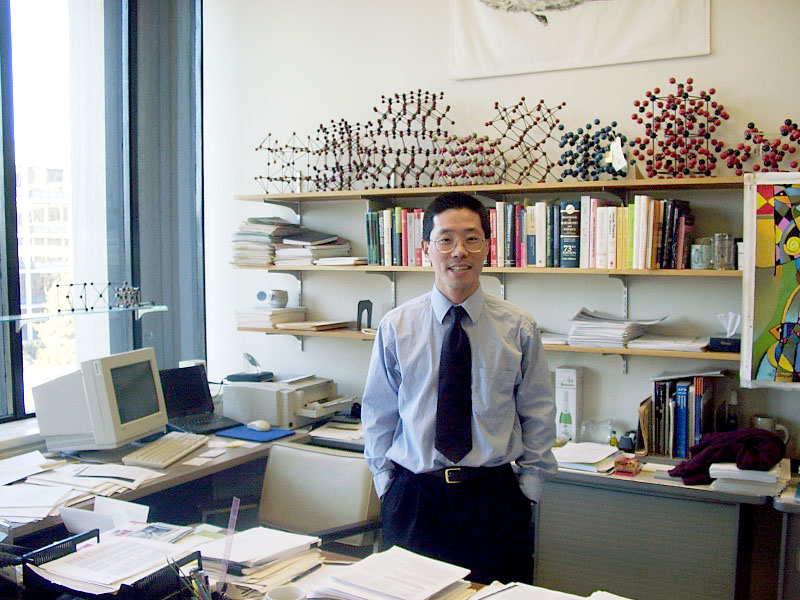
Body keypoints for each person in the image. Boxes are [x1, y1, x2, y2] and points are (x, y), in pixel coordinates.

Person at [361, 191, 558, 584]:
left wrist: (528, 489)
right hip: (416, 498)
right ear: (426, 250)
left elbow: (538, 412)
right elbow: (378, 415)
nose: (459, 251)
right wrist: (387, 485)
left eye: (471, 238)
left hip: (495, 500)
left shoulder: (518, 327)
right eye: (446, 239)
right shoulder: (396, 327)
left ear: (488, 247)